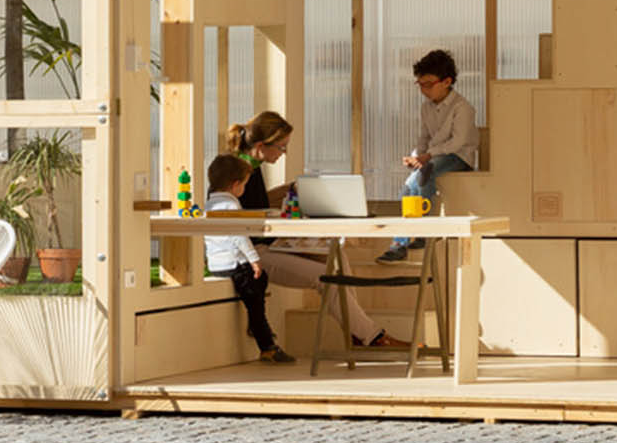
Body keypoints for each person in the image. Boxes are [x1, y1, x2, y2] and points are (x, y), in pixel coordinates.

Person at [228, 111, 402, 349]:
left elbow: (255, 204)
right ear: (261, 145)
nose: (283, 153)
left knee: (336, 258)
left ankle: (357, 331)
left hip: (265, 244)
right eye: (281, 148)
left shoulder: (253, 168)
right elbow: (237, 214)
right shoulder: (237, 171)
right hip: (252, 254)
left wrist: (288, 190)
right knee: (327, 279)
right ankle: (371, 336)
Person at [377, 49, 478, 263]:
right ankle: (417, 235)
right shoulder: (426, 108)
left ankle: (402, 242)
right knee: (408, 186)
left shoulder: (463, 108)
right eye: (420, 84)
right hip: (433, 158)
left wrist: (426, 157)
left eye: (428, 84)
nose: (423, 90)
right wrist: (416, 156)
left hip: (458, 158)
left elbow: (457, 143)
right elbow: (423, 138)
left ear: (447, 81)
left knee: (423, 175)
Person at [204, 153, 294, 363]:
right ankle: (267, 345)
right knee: (257, 297)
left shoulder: (209, 205)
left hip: (217, 265)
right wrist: (254, 259)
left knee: (258, 287)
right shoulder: (232, 206)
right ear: (236, 185)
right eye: (244, 184)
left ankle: (259, 329)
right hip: (236, 264)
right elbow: (240, 236)